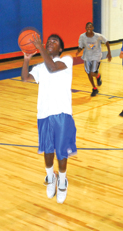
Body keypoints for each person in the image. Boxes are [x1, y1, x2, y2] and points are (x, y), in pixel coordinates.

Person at [21, 33, 77, 204]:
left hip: (62, 112)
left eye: (55, 41)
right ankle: (50, 178)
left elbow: (52, 67)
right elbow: (25, 78)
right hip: (44, 113)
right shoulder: (39, 67)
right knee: (47, 150)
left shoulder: (66, 60)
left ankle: (62, 181)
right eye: (49, 41)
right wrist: (26, 59)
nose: (50, 42)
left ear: (60, 48)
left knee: (61, 152)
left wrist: (40, 48)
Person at [76, 22, 112, 97]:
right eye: (87, 27)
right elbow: (81, 46)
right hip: (87, 56)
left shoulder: (98, 36)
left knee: (93, 73)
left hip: (96, 55)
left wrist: (109, 53)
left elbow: (106, 42)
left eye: (90, 27)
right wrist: (78, 51)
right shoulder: (82, 36)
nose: (89, 28)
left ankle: (98, 76)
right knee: (89, 73)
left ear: (93, 28)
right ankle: (94, 88)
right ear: (85, 28)